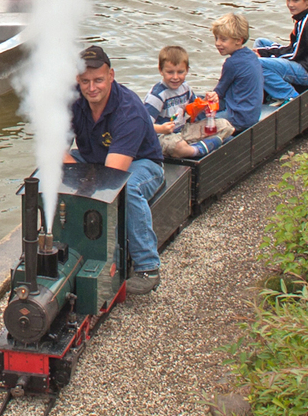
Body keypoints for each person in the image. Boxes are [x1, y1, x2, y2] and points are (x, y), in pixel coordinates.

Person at [67, 45, 165, 292]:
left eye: (98, 80)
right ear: (77, 79)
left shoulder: (129, 111)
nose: (92, 88)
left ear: (111, 75)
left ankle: (148, 266)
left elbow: (112, 176)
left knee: (128, 188)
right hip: (94, 160)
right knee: (48, 173)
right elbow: (53, 149)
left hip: (141, 163)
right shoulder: (72, 99)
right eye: (85, 81)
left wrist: (78, 179)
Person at [145, 45, 229, 160]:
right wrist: (162, 129)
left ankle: (195, 147)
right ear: (161, 70)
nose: (175, 77)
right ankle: (197, 150)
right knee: (177, 146)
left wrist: (207, 101)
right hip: (163, 136)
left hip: (183, 130)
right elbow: (143, 124)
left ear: (187, 70)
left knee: (225, 125)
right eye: (170, 72)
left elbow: (194, 110)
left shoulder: (185, 88)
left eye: (180, 72)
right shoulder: (157, 95)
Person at [209, 13, 264, 130]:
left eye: (223, 39)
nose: (217, 43)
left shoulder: (231, 63)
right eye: (216, 38)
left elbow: (219, 93)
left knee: (203, 118)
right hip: (252, 114)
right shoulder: (251, 55)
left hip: (238, 118)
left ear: (239, 40)